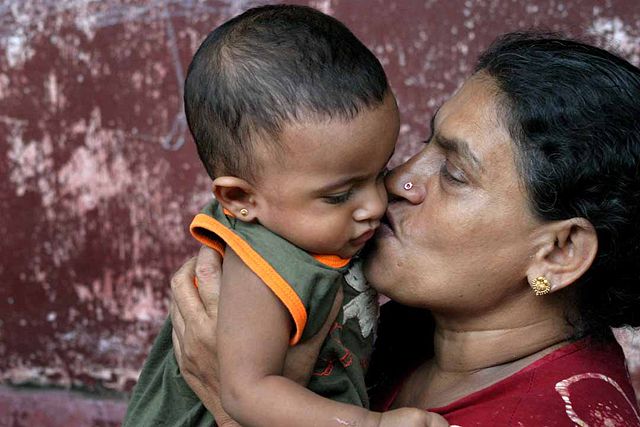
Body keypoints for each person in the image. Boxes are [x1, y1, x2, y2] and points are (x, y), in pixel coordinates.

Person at [169, 32, 640, 426]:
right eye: (424, 142)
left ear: (559, 252)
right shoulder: (399, 330)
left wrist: (231, 407)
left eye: (454, 173)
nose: (398, 180)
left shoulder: (556, 416)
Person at [124, 4, 448, 427]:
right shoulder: (264, 267)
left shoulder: (311, 227)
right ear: (242, 198)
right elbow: (244, 393)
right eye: (338, 196)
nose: (374, 205)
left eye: (382, 170)